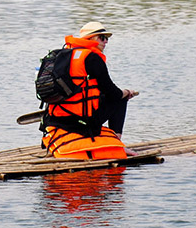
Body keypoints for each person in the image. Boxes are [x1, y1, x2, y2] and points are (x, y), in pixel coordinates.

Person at [41, 21, 139, 159]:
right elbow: (112, 93)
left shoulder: (63, 56)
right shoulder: (92, 58)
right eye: (102, 38)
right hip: (82, 121)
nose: (106, 42)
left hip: (56, 119)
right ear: (90, 38)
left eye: (107, 38)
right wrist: (127, 92)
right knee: (120, 99)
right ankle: (117, 143)